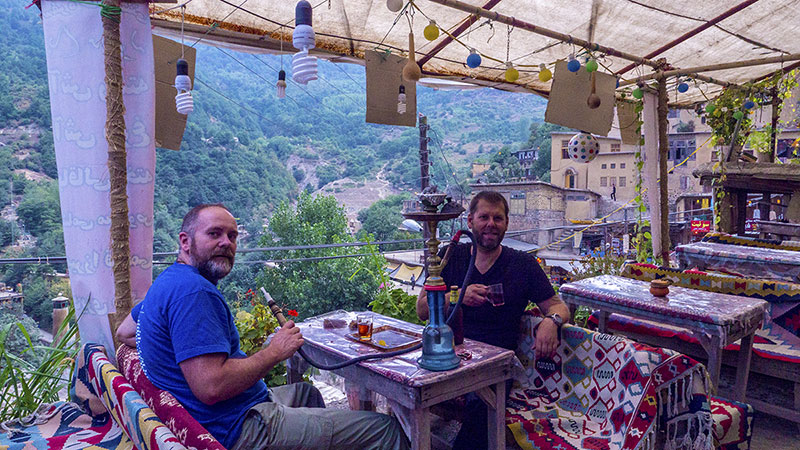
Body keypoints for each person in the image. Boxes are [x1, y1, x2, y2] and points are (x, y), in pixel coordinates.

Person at [117, 204, 409, 450]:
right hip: (236, 426)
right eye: (214, 234)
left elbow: (126, 332)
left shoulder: (168, 281)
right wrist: (274, 351)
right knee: (385, 429)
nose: (226, 243)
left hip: (223, 411)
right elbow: (211, 387)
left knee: (308, 393)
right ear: (185, 241)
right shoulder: (195, 293)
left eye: (232, 236)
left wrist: (169, 347)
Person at [416, 191, 570, 450]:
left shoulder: (523, 265)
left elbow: (557, 305)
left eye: (498, 218)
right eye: (483, 217)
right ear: (470, 222)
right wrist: (458, 297)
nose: (491, 224)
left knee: (481, 406)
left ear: (506, 223)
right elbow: (422, 308)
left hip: (495, 364)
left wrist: (551, 321)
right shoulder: (450, 255)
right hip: (449, 354)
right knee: (408, 390)